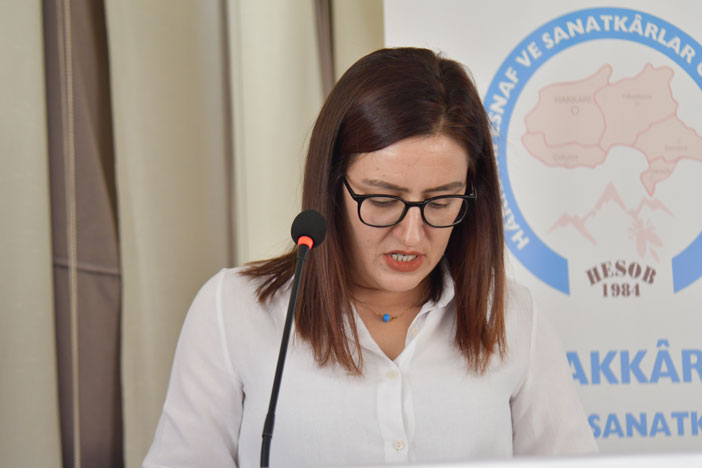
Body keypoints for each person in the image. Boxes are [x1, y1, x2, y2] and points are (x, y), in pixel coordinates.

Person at [143, 47, 597, 468]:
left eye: (441, 202)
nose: (412, 234)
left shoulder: (513, 317)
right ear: (331, 185)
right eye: (382, 200)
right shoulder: (234, 310)